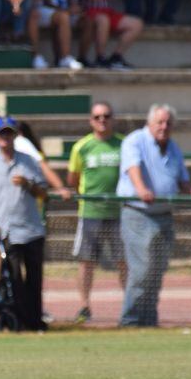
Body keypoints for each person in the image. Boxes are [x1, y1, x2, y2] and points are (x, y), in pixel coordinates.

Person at [116, 104, 191, 326]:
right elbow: (133, 167)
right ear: (150, 123)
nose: (164, 127)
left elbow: (181, 178)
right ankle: (130, 320)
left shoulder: (173, 147)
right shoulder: (135, 141)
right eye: (160, 122)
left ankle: (148, 319)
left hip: (164, 214)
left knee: (156, 271)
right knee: (141, 271)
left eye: (168, 123)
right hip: (139, 212)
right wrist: (141, 189)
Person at [0, 118, 49, 331]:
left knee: (35, 279)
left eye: (9, 134)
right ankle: (21, 321)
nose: (5, 138)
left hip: (32, 228)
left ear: (15, 136)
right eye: (2, 134)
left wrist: (29, 184)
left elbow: (44, 193)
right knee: (15, 278)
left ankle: (35, 321)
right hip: (7, 229)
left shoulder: (29, 161)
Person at [68, 101, 124, 324]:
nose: (102, 121)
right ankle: (84, 305)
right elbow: (74, 178)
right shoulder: (82, 146)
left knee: (124, 260)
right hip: (90, 211)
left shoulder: (123, 144)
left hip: (119, 211)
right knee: (86, 260)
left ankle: (129, 303)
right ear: (91, 121)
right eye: (98, 117)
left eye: (106, 116)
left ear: (113, 119)